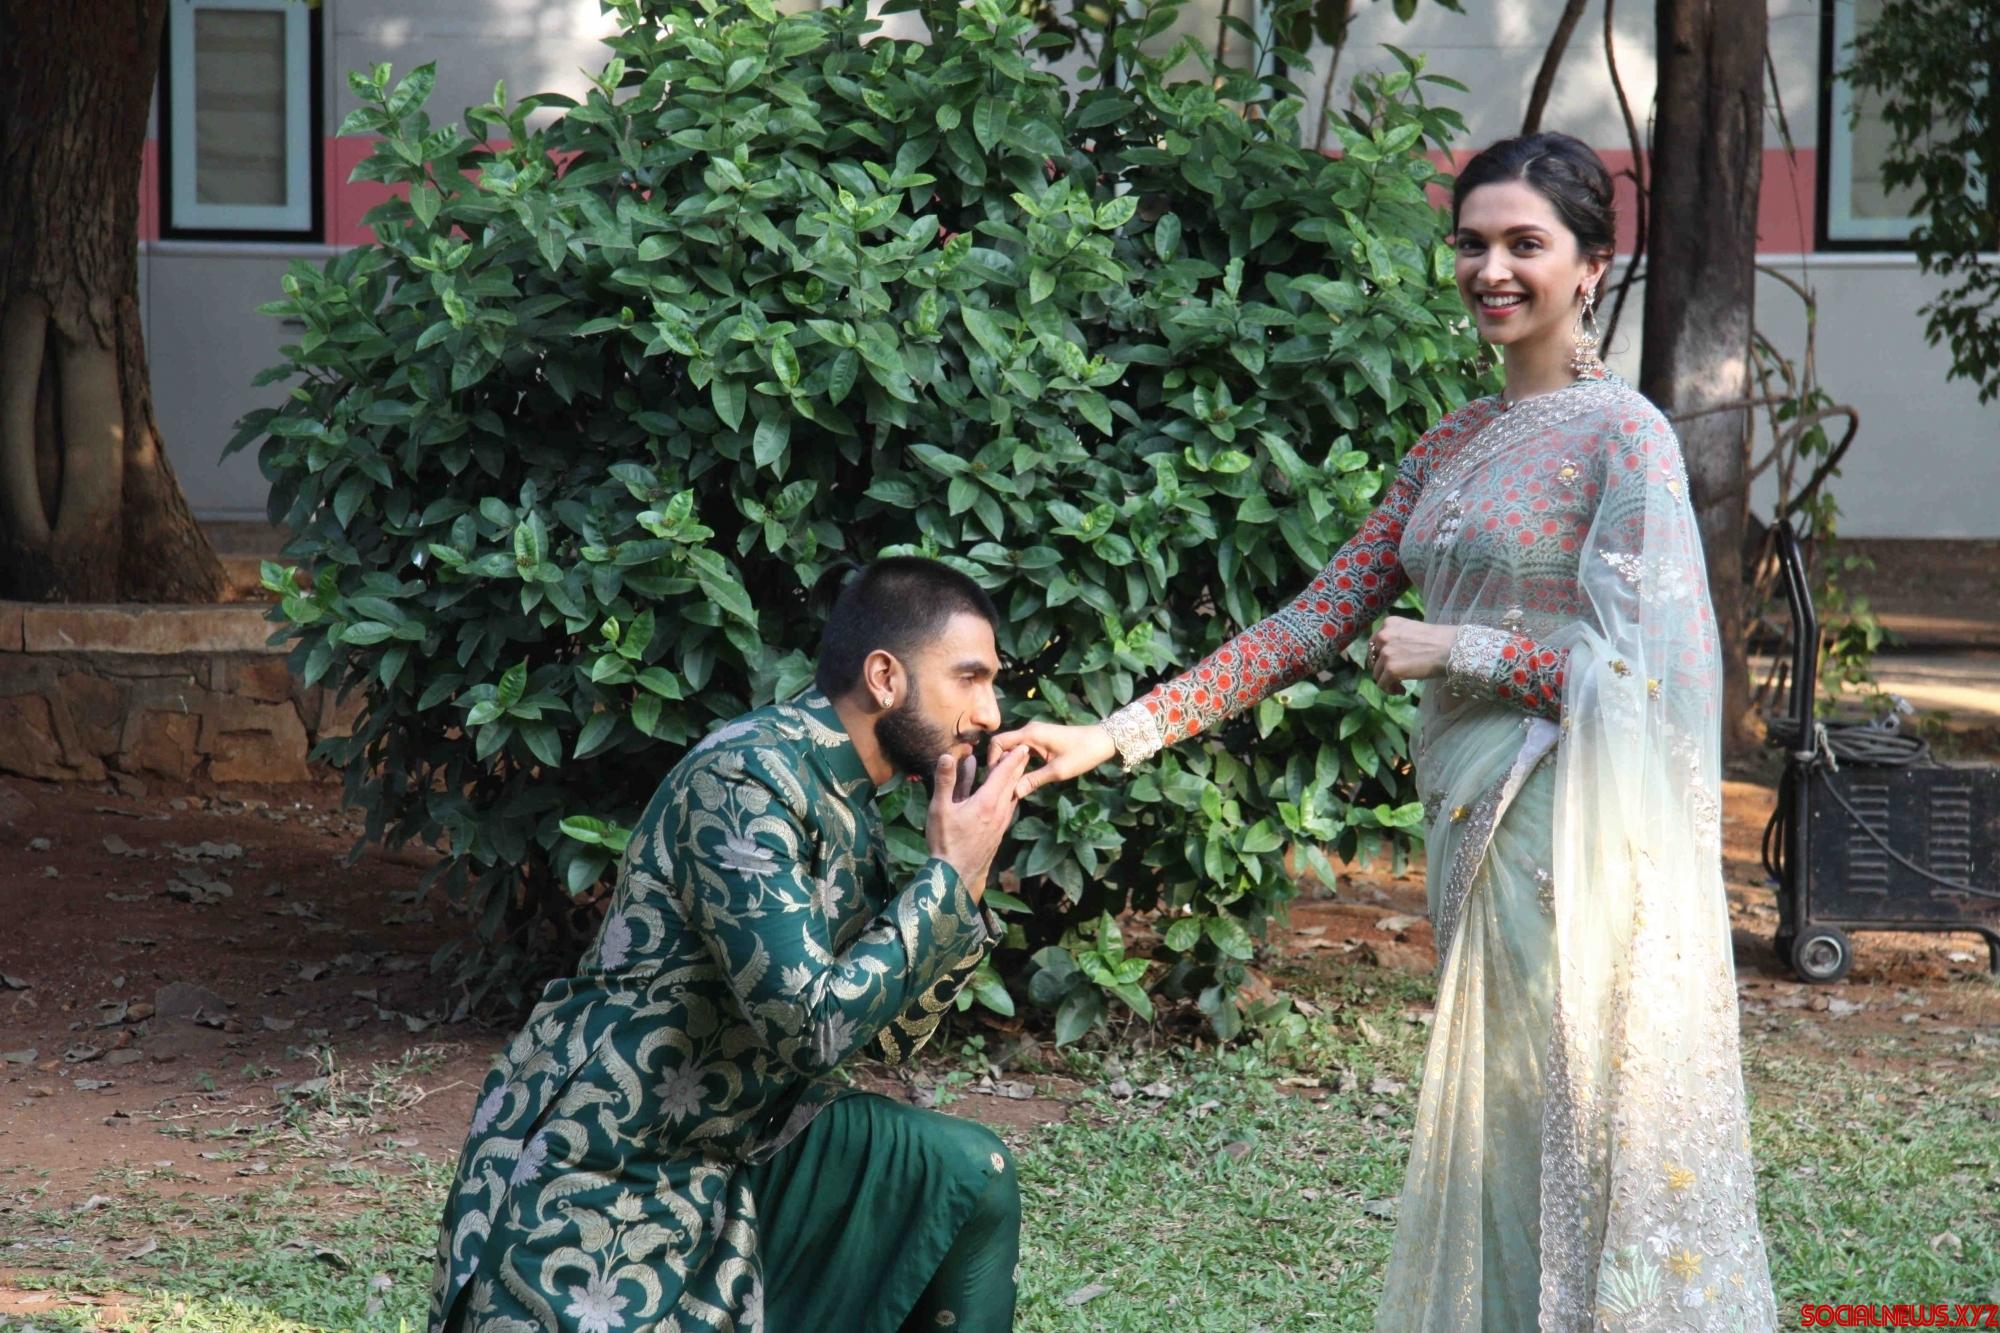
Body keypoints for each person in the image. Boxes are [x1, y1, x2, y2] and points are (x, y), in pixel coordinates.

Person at [993, 133, 1778, 1329]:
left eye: (1523, 244)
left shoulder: (1625, 439)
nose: (1489, 269)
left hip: (1563, 831)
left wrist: (1461, 647)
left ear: (1589, 266)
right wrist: (1117, 733)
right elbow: (1311, 620)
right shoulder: (1447, 445)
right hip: (1469, 822)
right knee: (1502, 1121)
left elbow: (1655, 685)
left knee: (1554, 1111)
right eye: (1470, 243)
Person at [429, 557, 1036, 1333]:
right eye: (970, 678)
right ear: (885, 677)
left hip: (741, 1146)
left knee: (963, 1172)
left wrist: (966, 880)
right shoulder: (747, 778)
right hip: (606, 1159)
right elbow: (811, 1027)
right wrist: (945, 878)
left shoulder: (848, 798)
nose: (989, 713)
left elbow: (888, 1036)